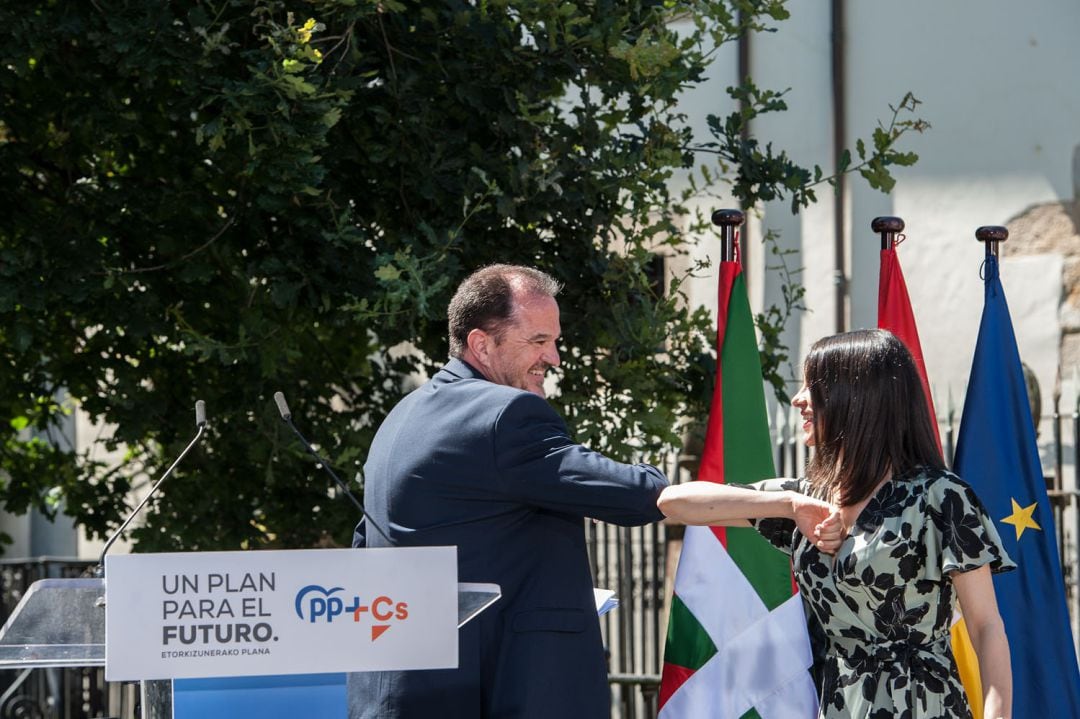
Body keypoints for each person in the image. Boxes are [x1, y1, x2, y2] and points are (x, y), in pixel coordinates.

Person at [349, 264, 669, 718]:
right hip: (490, 693)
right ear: (482, 343)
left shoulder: (403, 416)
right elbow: (635, 495)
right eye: (538, 341)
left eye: (554, 341)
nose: (554, 358)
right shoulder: (504, 414)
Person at [657, 328, 1014, 719]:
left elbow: (986, 626)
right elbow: (675, 504)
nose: (799, 400)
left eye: (814, 387)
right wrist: (790, 504)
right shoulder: (806, 499)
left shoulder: (940, 497)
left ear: (859, 397)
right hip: (840, 704)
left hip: (923, 704)